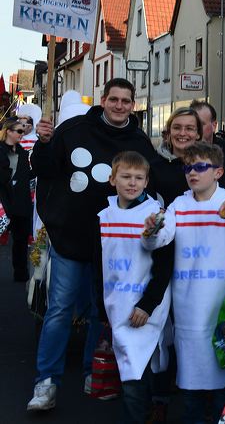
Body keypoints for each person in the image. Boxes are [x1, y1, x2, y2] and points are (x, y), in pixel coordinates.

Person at [27, 78, 158, 412]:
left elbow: (151, 183)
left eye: (125, 101)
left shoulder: (139, 142)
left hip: (112, 244)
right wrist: (43, 143)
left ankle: (93, 371)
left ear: (133, 105)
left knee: (102, 312)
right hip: (69, 237)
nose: (118, 106)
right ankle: (46, 382)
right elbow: (44, 168)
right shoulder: (72, 131)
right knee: (59, 310)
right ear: (103, 100)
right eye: (113, 99)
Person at [145, 142, 225, 422]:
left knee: (223, 387)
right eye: (188, 167)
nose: (192, 173)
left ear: (218, 172)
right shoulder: (180, 203)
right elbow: (160, 238)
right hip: (189, 306)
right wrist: (151, 230)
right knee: (191, 389)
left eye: (200, 167)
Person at [99, 152, 173, 424]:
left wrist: (147, 304)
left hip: (144, 307)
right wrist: (101, 305)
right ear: (112, 179)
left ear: (146, 181)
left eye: (138, 178)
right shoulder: (105, 215)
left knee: (135, 377)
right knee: (133, 373)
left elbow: (165, 266)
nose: (132, 183)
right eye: (126, 177)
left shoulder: (154, 216)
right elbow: (101, 263)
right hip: (116, 305)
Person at [0, 117, 33, 281]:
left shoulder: (23, 152)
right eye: (19, 130)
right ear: (9, 132)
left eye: (24, 130)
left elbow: (28, 175)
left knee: (20, 241)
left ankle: (20, 272)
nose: (23, 133)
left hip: (21, 202)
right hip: (3, 203)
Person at [149, 107, 204, 206]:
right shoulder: (153, 167)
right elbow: (143, 200)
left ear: (198, 134)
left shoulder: (209, 165)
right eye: (177, 128)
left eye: (189, 128)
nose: (182, 133)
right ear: (169, 132)